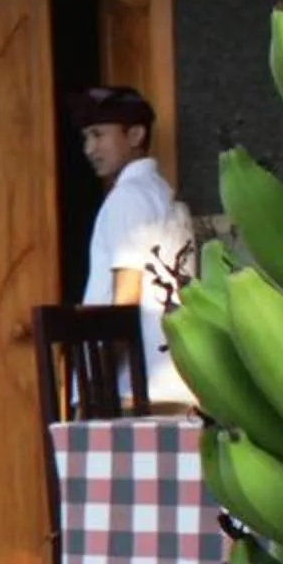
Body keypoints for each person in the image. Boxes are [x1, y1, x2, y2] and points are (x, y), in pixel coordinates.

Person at [69, 85, 193, 407]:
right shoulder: (162, 194)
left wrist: (95, 382)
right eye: (85, 138)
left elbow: (125, 300)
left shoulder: (128, 197)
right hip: (175, 379)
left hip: (131, 391)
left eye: (98, 135)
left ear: (136, 135)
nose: (89, 148)